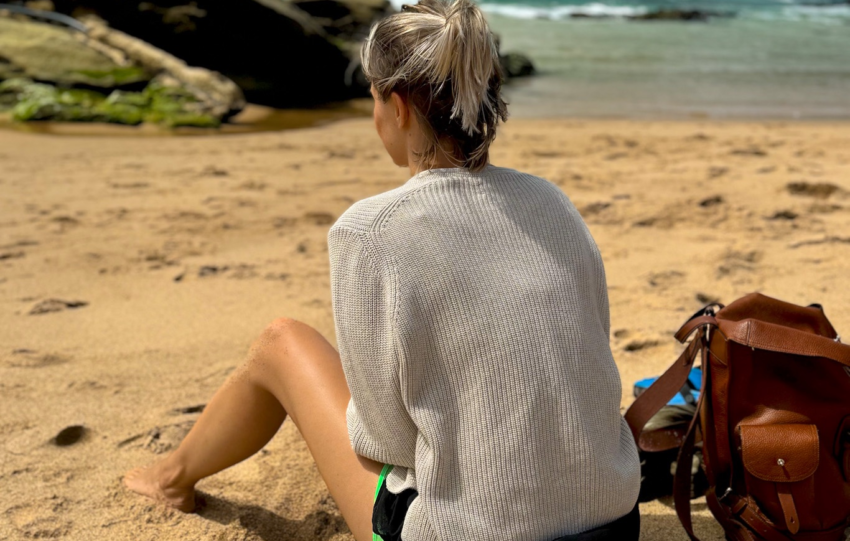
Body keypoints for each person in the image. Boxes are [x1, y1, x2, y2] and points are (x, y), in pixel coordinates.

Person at [123, 0, 641, 539]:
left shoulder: (369, 231)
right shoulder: (551, 202)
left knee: (281, 341)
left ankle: (169, 478)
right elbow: (589, 357)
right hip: (612, 521)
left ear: (396, 106)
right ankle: (171, 474)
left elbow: (383, 442)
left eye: (373, 99)